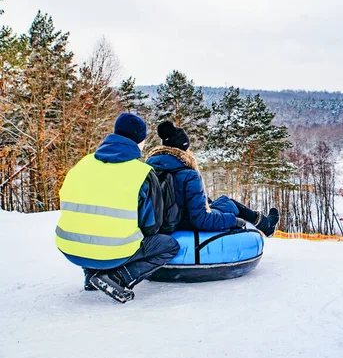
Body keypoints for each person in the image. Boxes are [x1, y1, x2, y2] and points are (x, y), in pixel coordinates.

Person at [55, 113, 180, 303]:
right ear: (140, 141)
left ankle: (91, 276)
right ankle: (117, 277)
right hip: (113, 253)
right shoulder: (142, 173)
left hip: (69, 247)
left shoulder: (83, 163)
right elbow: (151, 226)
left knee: (93, 222)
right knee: (168, 246)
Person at [145, 121, 279, 236]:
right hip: (182, 223)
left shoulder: (150, 168)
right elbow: (200, 219)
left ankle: (265, 223)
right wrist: (233, 220)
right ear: (184, 149)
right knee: (230, 204)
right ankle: (266, 226)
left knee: (218, 201)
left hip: (161, 221)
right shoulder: (188, 173)